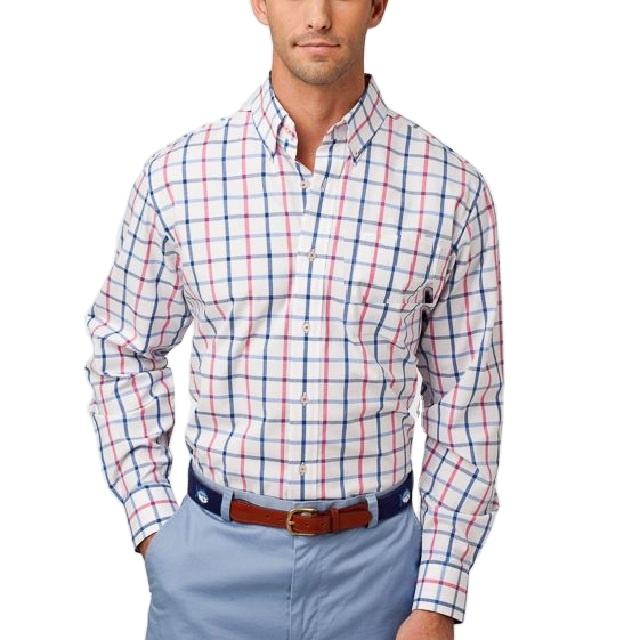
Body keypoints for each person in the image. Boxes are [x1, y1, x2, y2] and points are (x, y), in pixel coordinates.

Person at [83, 1, 504, 638]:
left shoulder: (452, 190)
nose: (318, 15)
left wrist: (439, 597)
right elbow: (124, 349)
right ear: (259, 3)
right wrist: (154, 529)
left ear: (378, 5)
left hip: (380, 580)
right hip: (207, 570)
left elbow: (466, 402)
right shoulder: (178, 177)